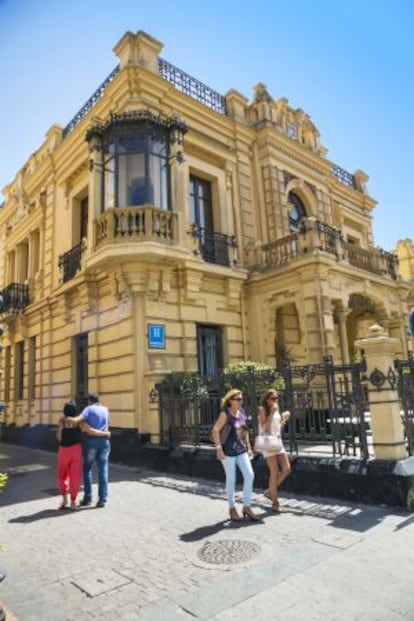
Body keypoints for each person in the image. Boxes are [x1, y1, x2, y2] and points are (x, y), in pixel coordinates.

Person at [212, 388, 259, 522]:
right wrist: (218, 447)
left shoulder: (242, 412)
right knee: (231, 478)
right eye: (238, 399)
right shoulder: (225, 414)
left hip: (241, 450)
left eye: (242, 399)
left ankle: (247, 506)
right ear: (230, 401)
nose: (241, 401)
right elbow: (215, 430)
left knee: (249, 475)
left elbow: (245, 431)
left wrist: (249, 446)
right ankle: (232, 508)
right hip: (227, 451)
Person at [56, 400, 111, 510]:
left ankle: (64, 499)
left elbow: (58, 437)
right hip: (76, 450)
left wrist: (62, 424)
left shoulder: (62, 421)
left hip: (64, 450)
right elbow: (90, 430)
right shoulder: (80, 423)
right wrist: (106, 433)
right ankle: (73, 502)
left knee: (62, 474)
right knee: (75, 476)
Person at [258, 389, 291, 513]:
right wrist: (272, 413)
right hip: (268, 442)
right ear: (266, 399)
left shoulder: (276, 409)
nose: (275, 400)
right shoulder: (263, 410)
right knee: (274, 471)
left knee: (287, 468)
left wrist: (283, 421)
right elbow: (265, 428)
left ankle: (270, 491)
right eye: (272, 398)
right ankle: (275, 503)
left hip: (278, 442)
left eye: (276, 398)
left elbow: (276, 429)